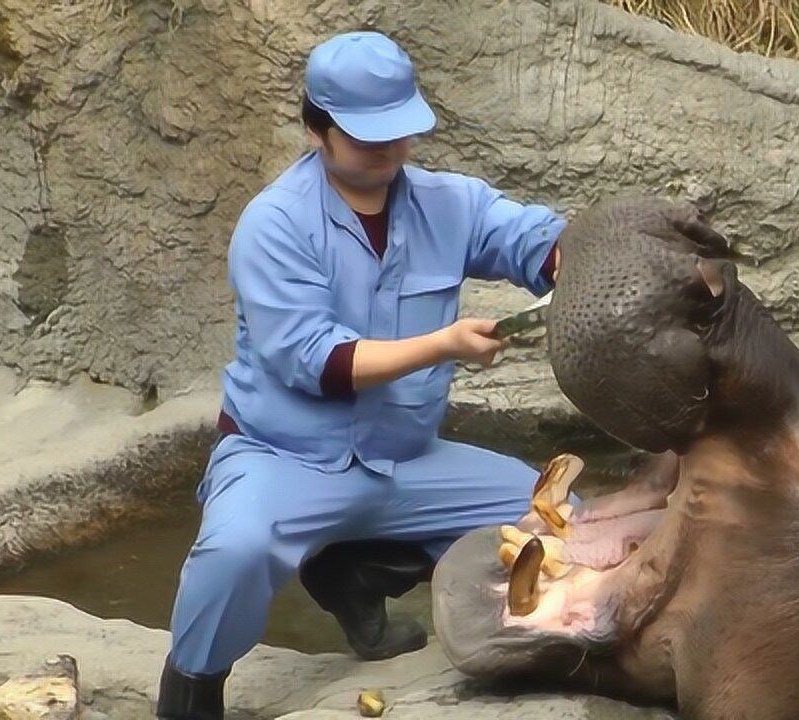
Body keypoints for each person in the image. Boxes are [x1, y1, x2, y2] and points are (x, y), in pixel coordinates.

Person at [156, 30, 565, 719]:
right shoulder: (274, 223)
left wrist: (581, 257)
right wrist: (442, 345)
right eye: (369, 137)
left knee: (562, 520)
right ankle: (190, 691)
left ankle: (360, 569)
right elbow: (319, 360)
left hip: (405, 461)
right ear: (319, 129)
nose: (391, 150)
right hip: (285, 458)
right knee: (235, 551)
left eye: (400, 133)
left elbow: (530, 238)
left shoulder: (448, 202)